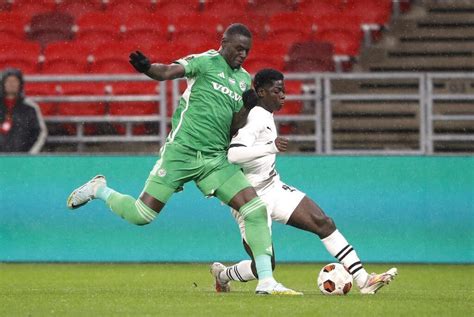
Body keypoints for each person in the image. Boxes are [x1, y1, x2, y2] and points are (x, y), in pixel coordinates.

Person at [66, 24, 301, 296]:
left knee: (255, 209)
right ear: (223, 42)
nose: (242, 54)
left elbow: (234, 126)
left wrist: (247, 106)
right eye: (238, 48)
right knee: (142, 215)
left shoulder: (243, 79)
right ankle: (99, 189)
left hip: (214, 158)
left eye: (246, 50)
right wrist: (147, 68)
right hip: (181, 152)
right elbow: (166, 71)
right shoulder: (204, 62)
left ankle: (266, 282)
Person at [210, 69, 397, 294]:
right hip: (248, 198)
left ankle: (363, 280)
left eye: (284, 91)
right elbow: (234, 155)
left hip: (272, 187)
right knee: (265, 267)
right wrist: (271, 147)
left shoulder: (265, 114)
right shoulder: (256, 117)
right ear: (260, 92)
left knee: (323, 222)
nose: (283, 95)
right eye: (277, 90)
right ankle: (223, 275)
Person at [0, 68, 47, 153]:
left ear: (20, 84)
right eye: (8, 81)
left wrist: (30, 155)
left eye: (15, 81)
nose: (11, 84)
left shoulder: (31, 108)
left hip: (23, 159)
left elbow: (40, 133)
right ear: (3, 84)